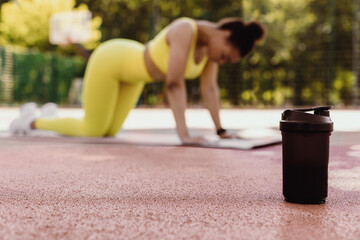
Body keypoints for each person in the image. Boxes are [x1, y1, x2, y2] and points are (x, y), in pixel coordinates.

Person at [10, 17, 266, 144]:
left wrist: (221, 131)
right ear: (225, 32)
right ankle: (32, 120)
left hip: (134, 79)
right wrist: (184, 135)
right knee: (93, 130)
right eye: (224, 55)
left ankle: (49, 115)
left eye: (225, 61)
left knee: (108, 133)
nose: (220, 61)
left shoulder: (210, 52)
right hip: (111, 60)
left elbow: (209, 89)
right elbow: (174, 83)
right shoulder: (186, 29)